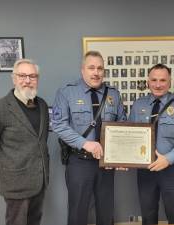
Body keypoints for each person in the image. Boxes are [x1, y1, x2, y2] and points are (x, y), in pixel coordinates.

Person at [51, 51, 126, 225]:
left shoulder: (113, 94)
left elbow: (121, 124)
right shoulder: (66, 93)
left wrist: (121, 155)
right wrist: (85, 143)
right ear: (82, 70)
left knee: (106, 210)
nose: (96, 72)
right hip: (79, 161)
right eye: (91, 67)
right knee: (78, 211)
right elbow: (59, 125)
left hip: (106, 163)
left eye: (100, 68)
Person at [0, 59, 49, 225]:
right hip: (16, 182)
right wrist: (5, 161)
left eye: (32, 76)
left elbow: (40, 140)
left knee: (35, 221)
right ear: (14, 78)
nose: (27, 80)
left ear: (37, 79)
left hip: (40, 179)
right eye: (22, 75)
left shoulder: (42, 105)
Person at [129, 64, 174, 224]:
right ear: (148, 81)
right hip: (145, 170)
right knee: (148, 215)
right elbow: (130, 134)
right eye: (154, 80)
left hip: (172, 169)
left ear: (169, 82)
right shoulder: (138, 105)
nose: (158, 84)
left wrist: (168, 159)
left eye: (162, 80)